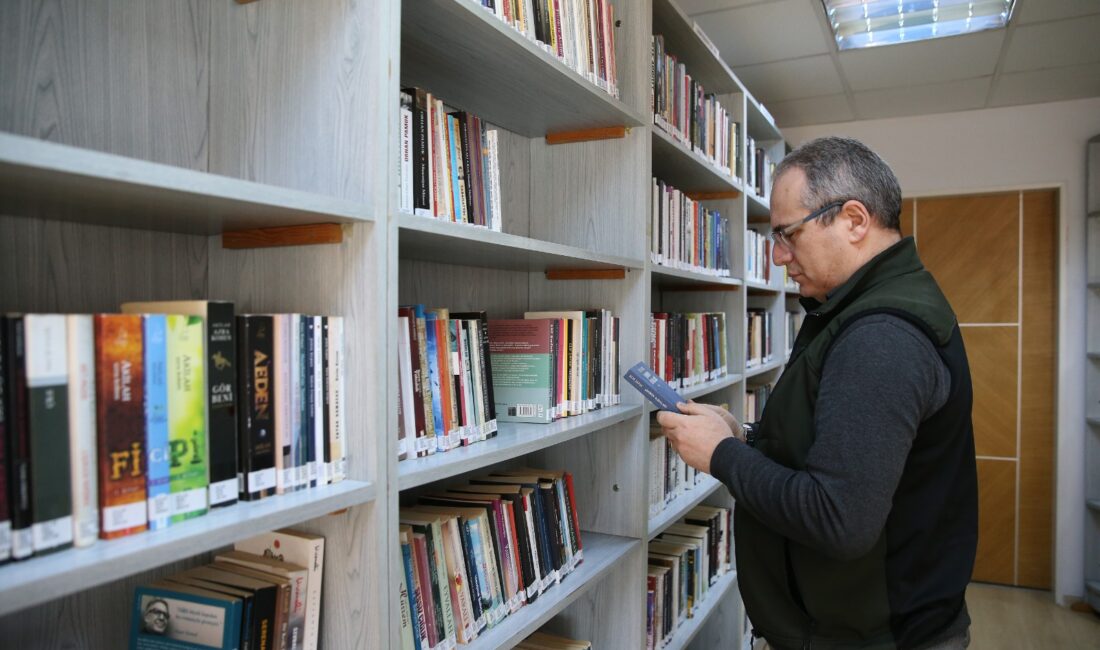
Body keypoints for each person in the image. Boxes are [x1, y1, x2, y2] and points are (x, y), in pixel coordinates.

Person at [657, 137, 977, 650]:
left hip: (877, 637)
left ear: (853, 220)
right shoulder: (858, 305)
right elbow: (844, 448)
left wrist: (723, 455)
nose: (780, 256)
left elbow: (838, 518)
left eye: (788, 234)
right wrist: (749, 436)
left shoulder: (880, 337)